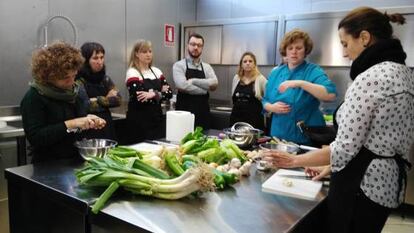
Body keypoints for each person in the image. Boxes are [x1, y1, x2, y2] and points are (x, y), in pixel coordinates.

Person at [265, 7, 414, 233]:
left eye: (345, 43)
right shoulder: (404, 74)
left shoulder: (370, 78)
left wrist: (292, 161)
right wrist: (329, 165)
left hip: (361, 185)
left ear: (364, 38)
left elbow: (344, 149)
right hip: (387, 185)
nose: (345, 53)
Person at [20, 41, 106, 163]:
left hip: (77, 159)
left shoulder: (77, 91)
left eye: (74, 75)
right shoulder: (34, 97)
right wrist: (71, 123)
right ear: (48, 76)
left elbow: (78, 121)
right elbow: (36, 137)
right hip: (48, 164)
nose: (71, 82)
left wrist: (89, 119)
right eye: (65, 78)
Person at [262, 29, 337, 145]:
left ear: (305, 50)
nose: (294, 52)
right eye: (290, 48)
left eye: (298, 48)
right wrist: (272, 107)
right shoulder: (275, 73)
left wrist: (300, 83)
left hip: (306, 138)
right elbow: (265, 100)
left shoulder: (313, 71)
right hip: (279, 136)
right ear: (285, 51)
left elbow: (330, 95)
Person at [125, 40, 173, 143]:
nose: (148, 55)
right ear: (137, 54)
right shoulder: (132, 72)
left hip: (156, 118)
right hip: (139, 121)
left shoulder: (157, 71)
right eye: (144, 52)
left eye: (150, 51)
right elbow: (140, 98)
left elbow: (169, 93)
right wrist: (160, 92)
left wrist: (152, 94)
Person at [173, 33, 218, 130]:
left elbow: (214, 84)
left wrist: (193, 81)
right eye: (193, 44)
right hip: (184, 114)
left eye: (199, 45)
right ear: (187, 46)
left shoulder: (207, 67)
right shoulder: (179, 65)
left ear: (202, 48)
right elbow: (183, 86)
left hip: (203, 113)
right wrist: (205, 89)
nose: (196, 47)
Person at [76, 42, 121, 140]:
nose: (100, 61)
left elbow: (118, 99)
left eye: (102, 57)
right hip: (89, 127)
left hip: (107, 126)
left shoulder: (105, 79)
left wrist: (97, 100)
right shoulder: (78, 80)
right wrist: (107, 99)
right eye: (95, 58)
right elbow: (85, 105)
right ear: (86, 61)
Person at [230, 52, 267, 131]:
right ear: (241, 64)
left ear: (254, 64)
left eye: (250, 61)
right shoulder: (236, 78)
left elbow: (268, 98)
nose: (247, 63)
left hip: (254, 121)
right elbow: (233, 98)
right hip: (236, 119)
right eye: (245, 61)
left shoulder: (261, 79)